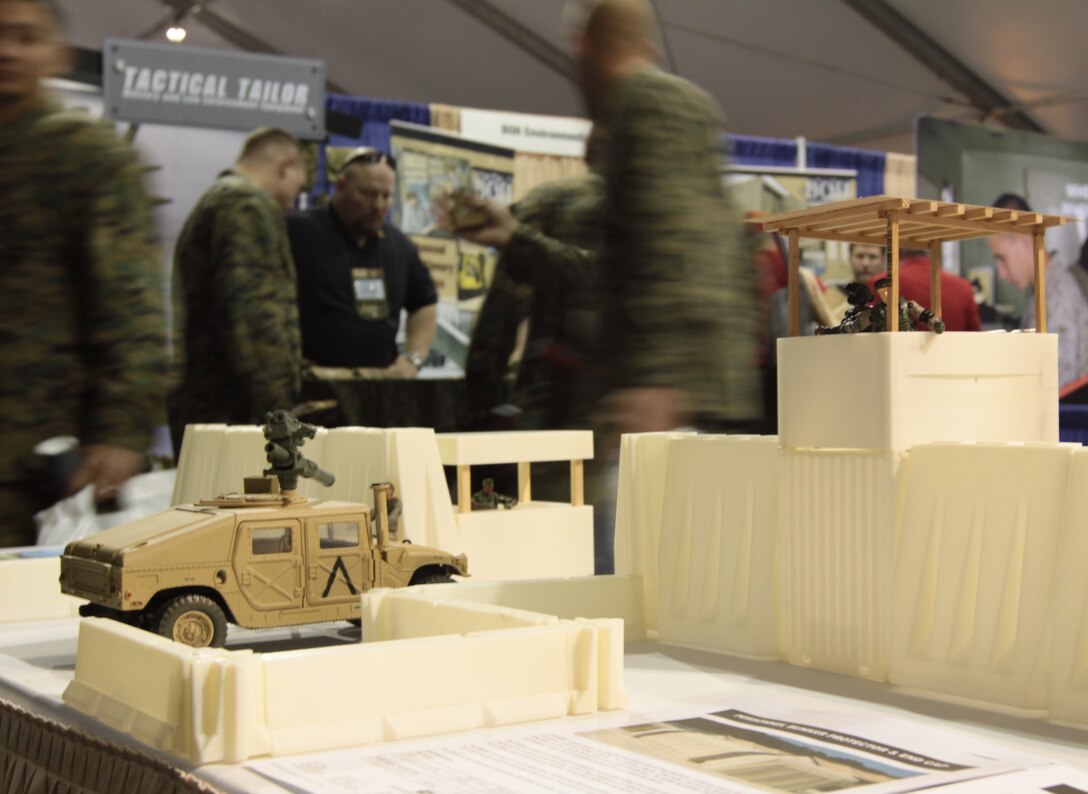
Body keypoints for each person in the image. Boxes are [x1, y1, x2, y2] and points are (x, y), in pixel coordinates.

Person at [0, 0, 170, 547]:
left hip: (38, 462)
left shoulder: (88, 157)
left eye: (26, 37)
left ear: (59, 55)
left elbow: (133, 306)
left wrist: (120, 431)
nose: (8, 50)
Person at [168, 127, 307, 455]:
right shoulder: (246, 205)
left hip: (212, 407)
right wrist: (279, 413)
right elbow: (254, 316)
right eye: (298, 188)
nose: (292, 203)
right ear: (284, 166)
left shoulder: (218, 199)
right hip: (233, 413)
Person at [464, 172, 604, 430]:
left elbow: (499, 317)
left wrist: (480, 410)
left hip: (558, 400)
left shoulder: (552, 201)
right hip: (577, 395)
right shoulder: (556, 201)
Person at [287, 148, 438, 376]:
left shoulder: (399, 245)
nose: (378, 205)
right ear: (340, 187)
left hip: (377, 386)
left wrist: (412, 359)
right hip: (313, 383)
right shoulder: (297, 231)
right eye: (368, 194)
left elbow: (424, 303)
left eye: (386, 196)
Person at [988, 193, 1088, 389]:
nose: (1001, 273)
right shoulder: (1046, 290)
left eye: (1002, 258)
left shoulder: (1059, 300)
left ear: (1024, 241)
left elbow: (1052, 392)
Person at [861, 246, 980, 332]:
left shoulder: (880, 284)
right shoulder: (963, 287)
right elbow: (976, 339)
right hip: (953, 364)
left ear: (898, 249)